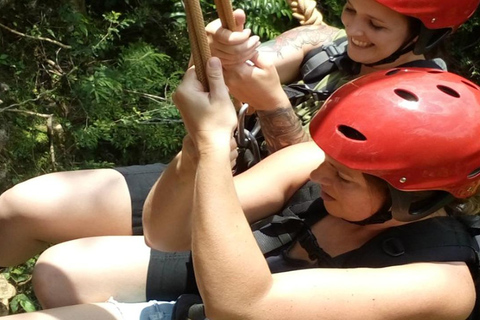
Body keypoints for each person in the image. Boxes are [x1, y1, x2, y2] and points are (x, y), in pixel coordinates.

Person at [3, 0, 479, 309]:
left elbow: (247, 303)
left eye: (376, 23)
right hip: (245, 190)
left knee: (67, 272)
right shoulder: (322, 49)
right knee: (30, 215)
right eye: (351, 8)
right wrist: (224, 58)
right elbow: (304, 170)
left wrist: (269, 107)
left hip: (248, 202)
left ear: (426, 34)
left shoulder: (440, 271)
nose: (355, 29)